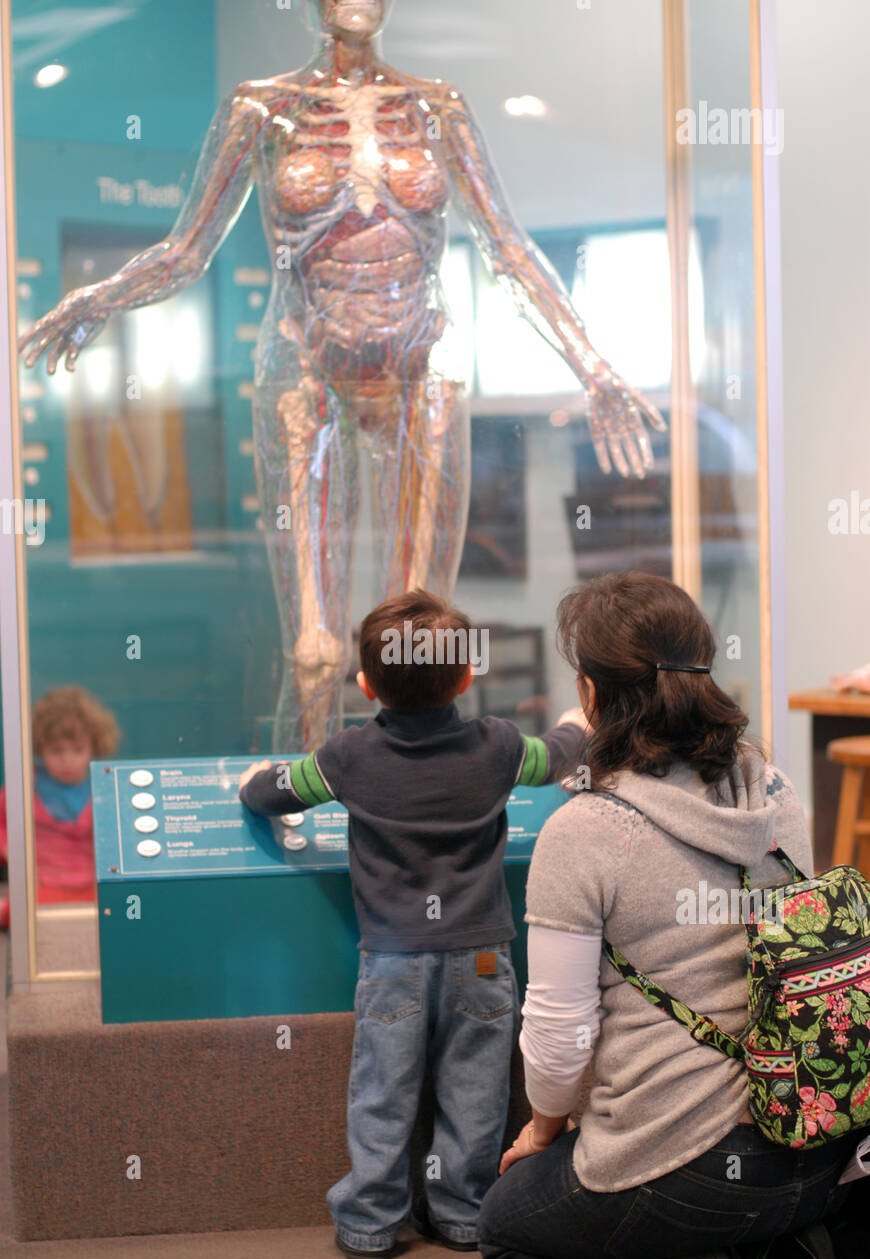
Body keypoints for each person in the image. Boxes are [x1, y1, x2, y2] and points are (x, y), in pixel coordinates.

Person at [18, 0, 664, 754]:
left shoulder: (436, 107)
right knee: (315, 648)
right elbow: (185, 250)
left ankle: (418, 795)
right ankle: (307, 801)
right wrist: (100, 297)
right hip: (309, 366)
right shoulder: (265, 110)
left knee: (419, 634)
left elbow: (509, 250)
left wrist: (594, 366)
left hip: (421, 365)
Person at [477, 572, 862, 1259]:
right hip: (822, 1145)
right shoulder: (771, 791)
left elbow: (560, 1041)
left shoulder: (582, 836)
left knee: (503, 1225)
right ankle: (784, 1250)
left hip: (684, 1167)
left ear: (591, 696)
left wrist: (540, 1133)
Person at [237, 588, 588, 1259]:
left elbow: (271, 792)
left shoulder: (347, 757)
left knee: (383, 1088)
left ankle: (370, 1219)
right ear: (466, 676)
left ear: (365, 684)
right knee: (476, 1088)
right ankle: (462, 1211)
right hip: (483, 957)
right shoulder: (500, 747)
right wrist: (578, 722)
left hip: (394, 961)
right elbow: (560, 755)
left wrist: (255, 782)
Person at [0, 685, 120, 929]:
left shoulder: (106, 787)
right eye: (57, 751)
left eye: (77, 750)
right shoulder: (25, 786)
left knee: (121, 911)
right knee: (19, 913)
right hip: (42, 885)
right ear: (39, 749)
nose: (67, 760)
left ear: (94, 747)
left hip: (94, 885)